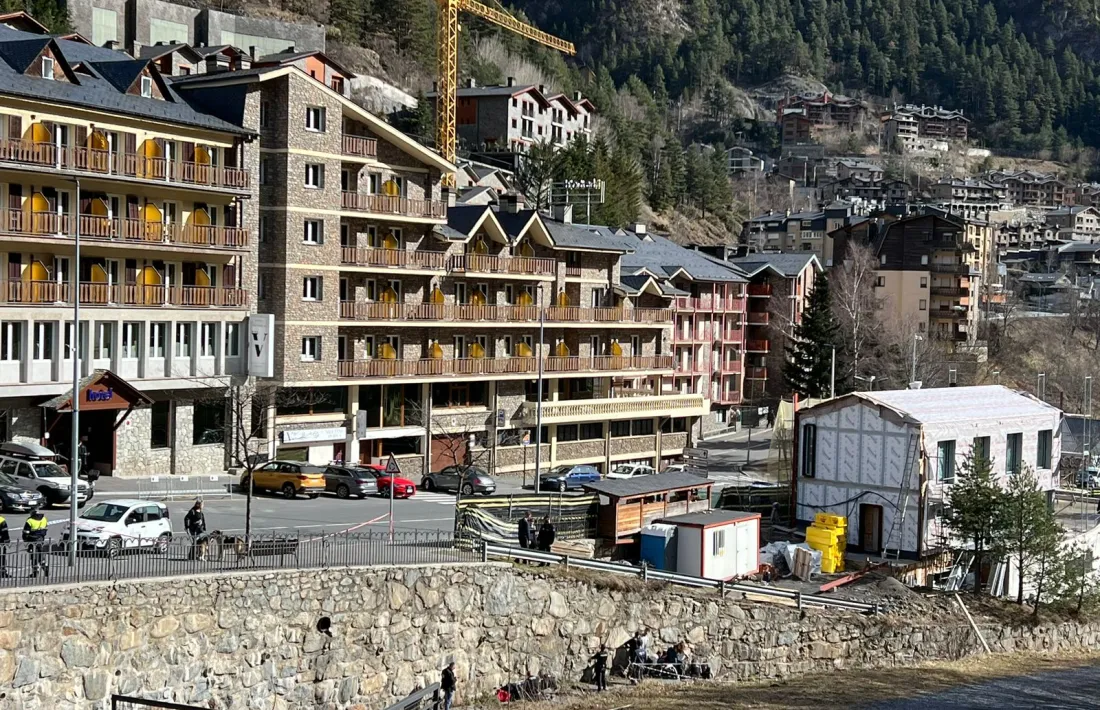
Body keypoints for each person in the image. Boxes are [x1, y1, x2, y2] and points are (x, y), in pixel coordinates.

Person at [23, 507, 48, 577]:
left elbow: (26, 532)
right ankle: (45, 568)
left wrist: (25, 539)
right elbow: (45, 529)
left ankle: (35, 572)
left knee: (34, 556)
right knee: (41, 555)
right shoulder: (44, 519)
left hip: (32, 540)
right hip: (41, 540)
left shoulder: (30, 520)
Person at [0, 512, 8, 578]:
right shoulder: (1, 520)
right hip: (0, 542)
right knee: (2, 557)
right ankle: (2, 572)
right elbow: (4, 531)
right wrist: (6, 539)